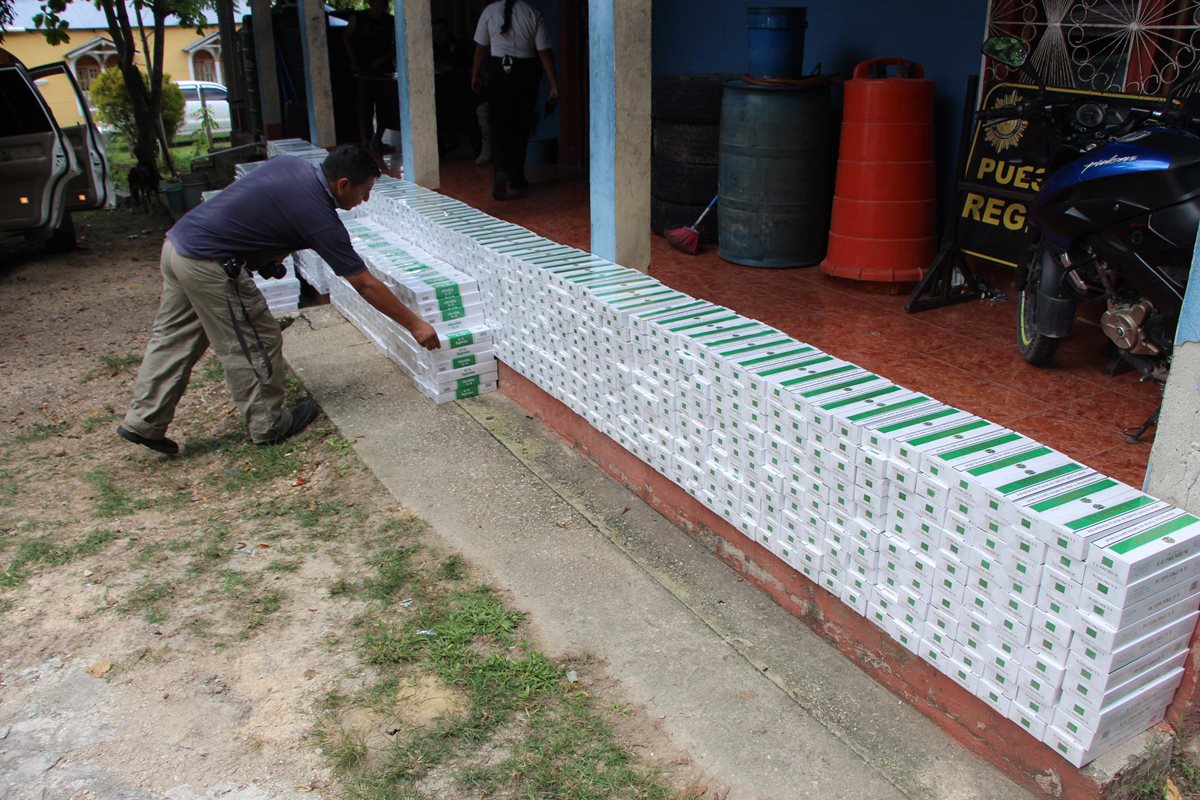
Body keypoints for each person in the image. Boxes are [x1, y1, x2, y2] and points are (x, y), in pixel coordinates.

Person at [116, 144, 440, 455]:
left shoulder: (292, 167)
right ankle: (268, 424)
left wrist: (267, 255)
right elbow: (365, 284)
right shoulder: (321, 217)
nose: (364, 200)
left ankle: (144, 420)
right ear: (343, 184)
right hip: (210, 265)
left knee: (174, 339)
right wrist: (416, 325)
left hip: (178, 247)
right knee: (255, 340)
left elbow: (263, 206)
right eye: (363, 192)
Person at [471, 0, 559, 200]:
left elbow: (481, 47)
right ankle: (517, 175)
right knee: (521, 125)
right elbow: (544, 52)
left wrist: (475, 74)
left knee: (499, 125)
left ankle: (501, 170)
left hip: (498, 73)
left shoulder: (489, 12)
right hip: (525, 74)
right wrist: (554, 83)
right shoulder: (534, 14)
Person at [344, 0, 397, 152]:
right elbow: (346, 37)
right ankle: (364, 141)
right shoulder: (358, 18)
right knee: (363, 105)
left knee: (384, 107)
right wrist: (353, 60)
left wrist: (384, 59)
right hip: (363, 69)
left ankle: (377, 139)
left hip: (384, 68)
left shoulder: (390, 20)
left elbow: (397, 43)